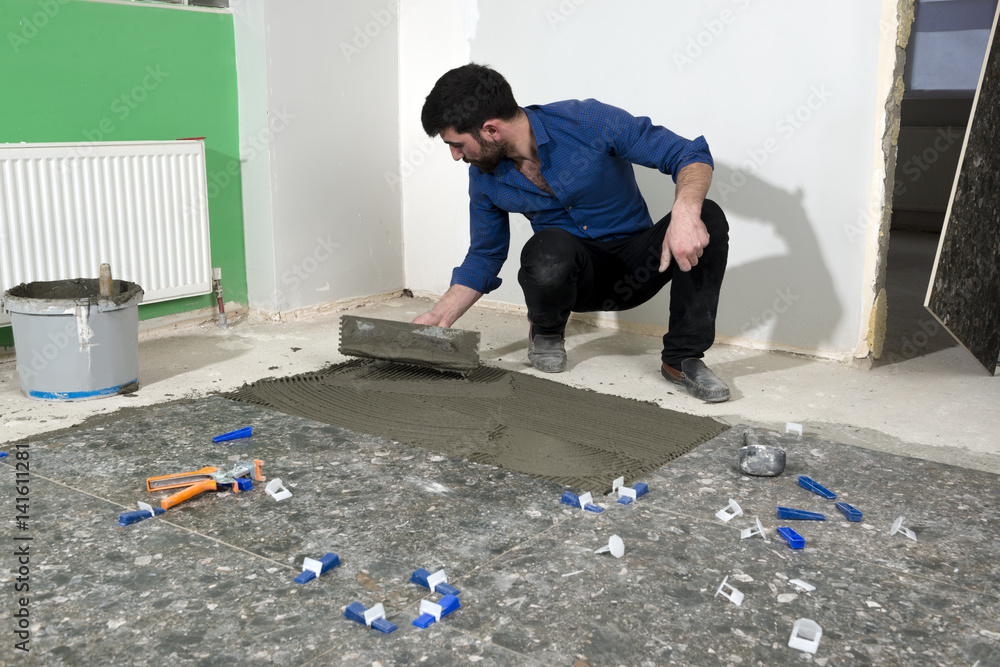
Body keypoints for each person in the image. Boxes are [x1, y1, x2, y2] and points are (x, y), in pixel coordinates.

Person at [414, 63, 731, 403]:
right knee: (548, 245)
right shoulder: (485, 175)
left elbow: (687, 153)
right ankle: (547, 332)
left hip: (639, 267)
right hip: (572, 279)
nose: (455, 155)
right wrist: (438, 315)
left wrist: (685, 211)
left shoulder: (588, 121)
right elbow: (485, 254)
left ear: (490, 129)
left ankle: (682, 359)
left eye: (457, 144)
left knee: (706, 216)